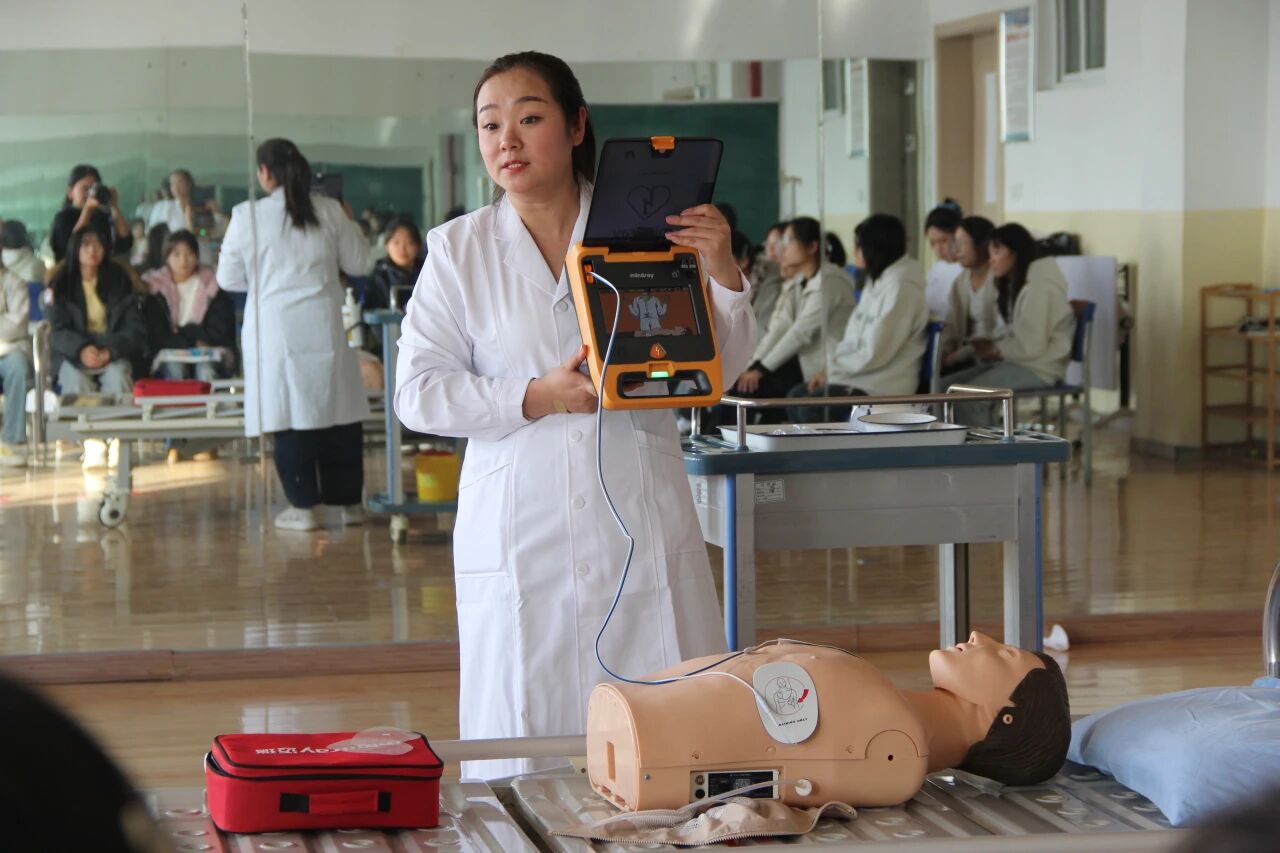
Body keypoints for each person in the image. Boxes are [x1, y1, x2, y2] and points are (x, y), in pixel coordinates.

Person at [393, 50, 756, 779]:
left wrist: (721, 271)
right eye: (489, 124)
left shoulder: (649, 229)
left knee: (665, 750)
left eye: (529, 118)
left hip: (638, 512)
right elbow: (418, 391)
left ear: (577, 125)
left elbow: (714, 370)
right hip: (519, 528)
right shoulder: (459, 250)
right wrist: (533, 396)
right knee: (527, 747)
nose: (507, 140)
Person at [217, 138, 371, 532]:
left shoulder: (247, 215)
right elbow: (360, 263)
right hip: (323, 324)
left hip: (276, 329)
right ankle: (349, 505)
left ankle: (303, 508)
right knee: (338, 412)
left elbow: (228, 278)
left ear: (264, 173)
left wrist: (265, 281)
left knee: (288, 413)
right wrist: (349, 221)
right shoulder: (329, 210)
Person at [787, 214, 927, 423]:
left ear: (876, 247)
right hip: (859, 374)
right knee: (795, 397)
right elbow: (852, 336)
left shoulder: (902, 287)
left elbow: (876, 352)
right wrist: (829, 369)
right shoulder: (878, 280)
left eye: (859, 245)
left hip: (882, 382)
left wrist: (832, 371)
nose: (855, 252)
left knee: (810, 409)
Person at [945, 223, 1075, 425]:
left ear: (1016, 252)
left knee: (966, 398)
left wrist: (996, 350)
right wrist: (987, 348)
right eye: (989, 253)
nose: (991, 260)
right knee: (945, 389)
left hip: (1040, 368)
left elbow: (1031, 346)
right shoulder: (1020, 283)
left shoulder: (1040, 287)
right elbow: (1017, 336)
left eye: (997, 252)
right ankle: (972, 441)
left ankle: (983, 446)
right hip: (1022, 361)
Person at [734, 216, 855, 424]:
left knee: (754, 389)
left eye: (789, 241)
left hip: (825, 366)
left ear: (812, 247)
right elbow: (780, 327)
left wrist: (760, 370)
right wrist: (752, 366)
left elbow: (800, 333)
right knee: (744, 386)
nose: (782, 249)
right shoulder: (801, 281)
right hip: (802, 362)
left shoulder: (829, 281)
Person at [46, 228, 146, 395]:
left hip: (112, 350)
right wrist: (81, 349)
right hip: (72, 353)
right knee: (76, 381)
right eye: (85, 245)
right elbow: (56, 330)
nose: (92, 250)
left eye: (98, 245)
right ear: (75, 248)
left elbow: (134, 328)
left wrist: (110, 351)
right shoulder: (60, 283)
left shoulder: (119, 281)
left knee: (118, 378)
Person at [141, 229, 237, 381]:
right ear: (167, 257)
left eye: (189, 254)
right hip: (170, 352)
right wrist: (191, 340)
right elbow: (157, 334)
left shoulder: (212, 287)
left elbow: (220, 329)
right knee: (174, 368)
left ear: (197, 256)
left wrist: (184, 334)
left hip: (208, 352)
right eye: (177, 255)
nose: (183, 261)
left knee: (206, 370)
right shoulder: (156, 290)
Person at [940, 216, 999, 372]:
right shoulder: (960, 282)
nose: (957, 250)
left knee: (948, 385)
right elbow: (950, 328)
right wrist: (941, 355)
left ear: (982, 243)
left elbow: (998, 335)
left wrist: (959, 355)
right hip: (967, 357)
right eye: (955, 243)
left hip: (993, 356)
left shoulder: (999, 278)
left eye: (962, 243)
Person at [48, 165, 133, 263]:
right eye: (85, 188)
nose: (89, 193)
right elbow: (68, 250)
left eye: (93, 188)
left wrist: (114, 206)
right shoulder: (63, 218)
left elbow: (125, 243)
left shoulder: (101, 216)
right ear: (70, 192)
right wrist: (87, 210)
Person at [364, 217, 425, 351]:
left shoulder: (428, 271)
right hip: (388, 345)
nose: (402, 249)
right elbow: (375, 322)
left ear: (418, 246)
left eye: (409, 243)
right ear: (386, 245)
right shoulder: (379, 276)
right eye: (396, 242)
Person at [0, 264, 32, 467]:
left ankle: (13, 441)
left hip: (9, 348)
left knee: (18, 368)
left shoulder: (14, 283)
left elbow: (17, 323)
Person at [923, 199, 964, 319]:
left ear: (958, 236)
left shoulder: (966, 270)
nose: (938, 249)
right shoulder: (936, 269)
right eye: (932, 243)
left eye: (943, 241)